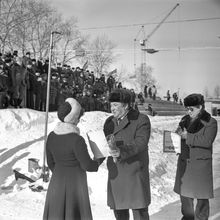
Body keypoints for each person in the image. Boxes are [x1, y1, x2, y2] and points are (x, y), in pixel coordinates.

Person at [43, 97, 104, 220]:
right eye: (78, 118)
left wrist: (61, 172)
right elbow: (87, 165)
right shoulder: (77, 140)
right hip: (75, 184)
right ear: (74, 118)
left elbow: (50, 162)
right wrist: (98, 161)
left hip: (56, 183)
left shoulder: (51, 136)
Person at [103, 88, 151, 220]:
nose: (112, 108)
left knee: (139, 212)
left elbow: (141, 143)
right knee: (120, 212)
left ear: (126, 105)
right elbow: (104, 144)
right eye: (111, 104)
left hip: (134, 172)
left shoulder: (141, 119)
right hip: (116, 173)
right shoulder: (109, 122)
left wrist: (121, 151)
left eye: (115, 105)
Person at [174, 93, 218, 220]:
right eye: (187, 108)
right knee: (185, 196)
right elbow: (179, 135)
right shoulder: (184, 120)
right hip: (185, 163)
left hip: (200, 165)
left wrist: (187, 137)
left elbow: (206, 140)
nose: (188, 112)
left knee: (202, 198)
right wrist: (174, 142)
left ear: (200, 107)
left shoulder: (211, 122)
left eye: (191, 109)